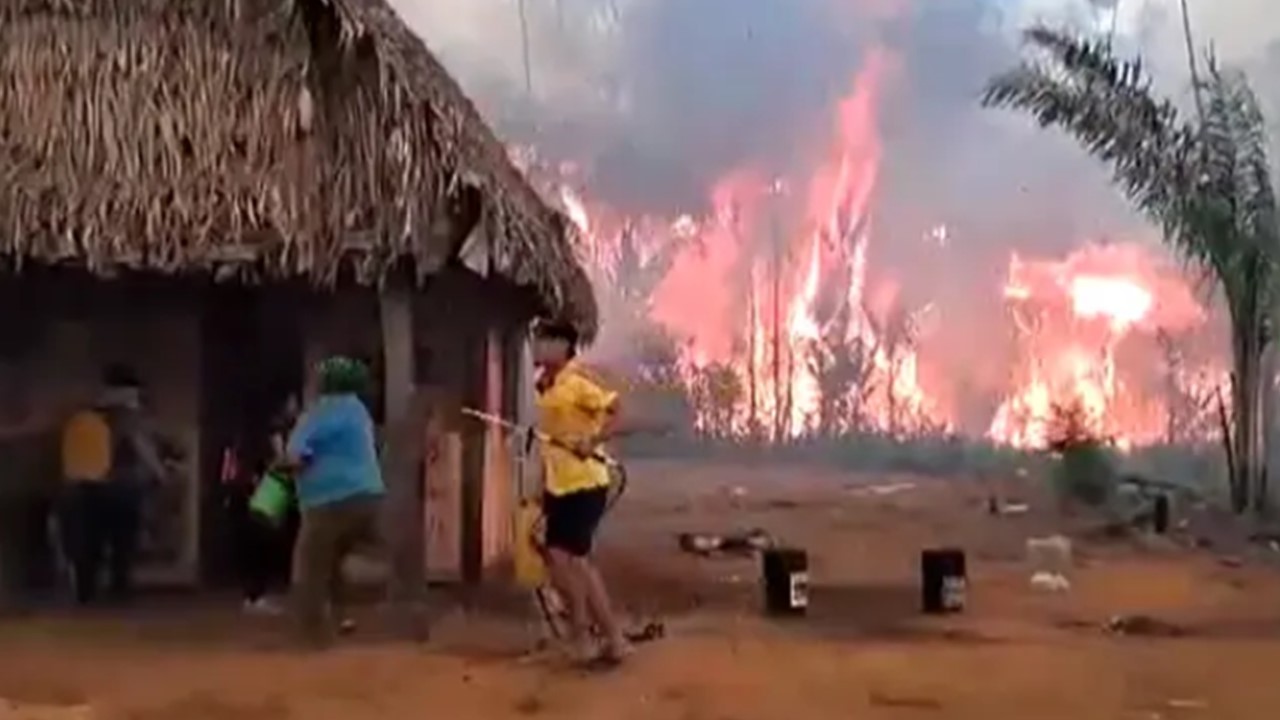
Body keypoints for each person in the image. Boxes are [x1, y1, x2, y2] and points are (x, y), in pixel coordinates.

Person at [530, 320, 631, 667]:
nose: (536, 348)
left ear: (563, 346)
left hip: (585, 484)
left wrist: (593, 440)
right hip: (558, 485)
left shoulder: (577, 382)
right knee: (562, 560)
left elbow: (618, 411)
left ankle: (599, 637)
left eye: (544, 341)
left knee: (575, 561)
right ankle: (596, 636)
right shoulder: (545, 386)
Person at [285, 357, 384, 648]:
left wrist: (281, 474)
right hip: (368, 495)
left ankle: (313, 635)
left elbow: (296, 455)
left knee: (309, 565)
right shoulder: (358, 410)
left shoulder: (318, 413)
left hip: (327, 499)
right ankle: (343, 617)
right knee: (335, 558)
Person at [59, 365, 165, 605]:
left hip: (83, 485)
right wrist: (160, 474)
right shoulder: (127, 415)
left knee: (89, 544)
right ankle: (117, 591)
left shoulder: (84, 414)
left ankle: (87, 592)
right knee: (121, 544)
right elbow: (141, 445)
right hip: (118, 488)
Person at [224, 394, 301, 616]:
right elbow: (278, 462)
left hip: (259, 494)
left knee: (262, 544)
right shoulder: (269, 434)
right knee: (259, 544)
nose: (295, 408)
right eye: (291, 402)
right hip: (260, 495)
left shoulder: (251, 436)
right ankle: (254, 596)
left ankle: (256, 594)